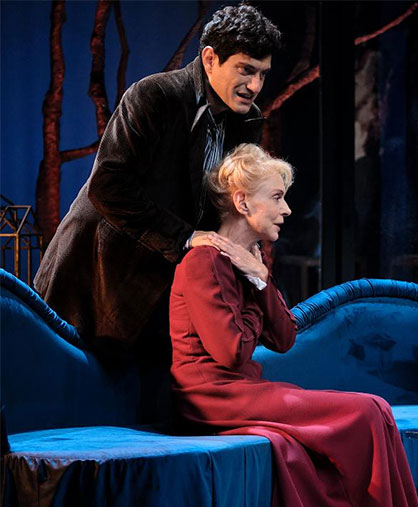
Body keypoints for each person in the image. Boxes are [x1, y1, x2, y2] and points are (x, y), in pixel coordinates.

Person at [169, 143, 418, 507]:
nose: (286, 209)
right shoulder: (203, 261)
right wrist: (257, 284)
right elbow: (231, 352)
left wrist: (260, 279)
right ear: (242, 202)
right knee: (368, 410)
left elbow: (285, 338)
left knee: (378, 409)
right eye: (276, 197)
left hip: (242, 390)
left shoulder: (248, 262)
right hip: (211, 397)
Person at [33, 4, 280, 361]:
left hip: (167, 285)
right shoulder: (155, 96)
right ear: (210, 59)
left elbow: (221, 200)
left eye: (262, 74)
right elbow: (109, 186)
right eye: (246, 70)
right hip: (99, 277)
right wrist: (185, 237)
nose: (255, 86)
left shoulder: (247, 121)